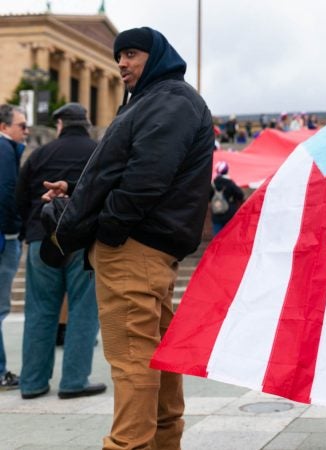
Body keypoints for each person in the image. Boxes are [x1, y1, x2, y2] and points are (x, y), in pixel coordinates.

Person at [41, 27, 215, 449]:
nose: (121, 63)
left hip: (132, 247)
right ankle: (161, 441)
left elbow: (146, 178)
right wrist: (80, 193)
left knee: (132, 359)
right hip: (147, 246)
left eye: (131, 54)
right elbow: (133, 171)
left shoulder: (167, 99)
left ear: (155, 57)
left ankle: (128, 445)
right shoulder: (158, 100)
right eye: (119, 55)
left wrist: (108, 227)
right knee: (155, 356)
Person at [15, 103, 105, 400]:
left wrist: (28, 231)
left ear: (60, 125)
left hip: (42, 237)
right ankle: (74, 381)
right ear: (86, 123)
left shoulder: (40, 154)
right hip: (83, 241)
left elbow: (21, 196)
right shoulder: (99, 150)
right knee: (83, 308)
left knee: (40, 309)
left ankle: (32, 382)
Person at [0, 104, 27, 391]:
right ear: (4, 127)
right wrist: (12, 231)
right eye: (21, 125)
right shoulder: (5, 150)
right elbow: (6, 191)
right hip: (3, 238)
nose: (26, 130)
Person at [210, 161, 245, 236]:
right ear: (226, 170)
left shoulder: (213, 183)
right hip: (229, 214)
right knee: (228, 236)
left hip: (216, 214)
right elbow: (240, 195)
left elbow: (208, 197)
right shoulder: (230, 183)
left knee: (217, 238)